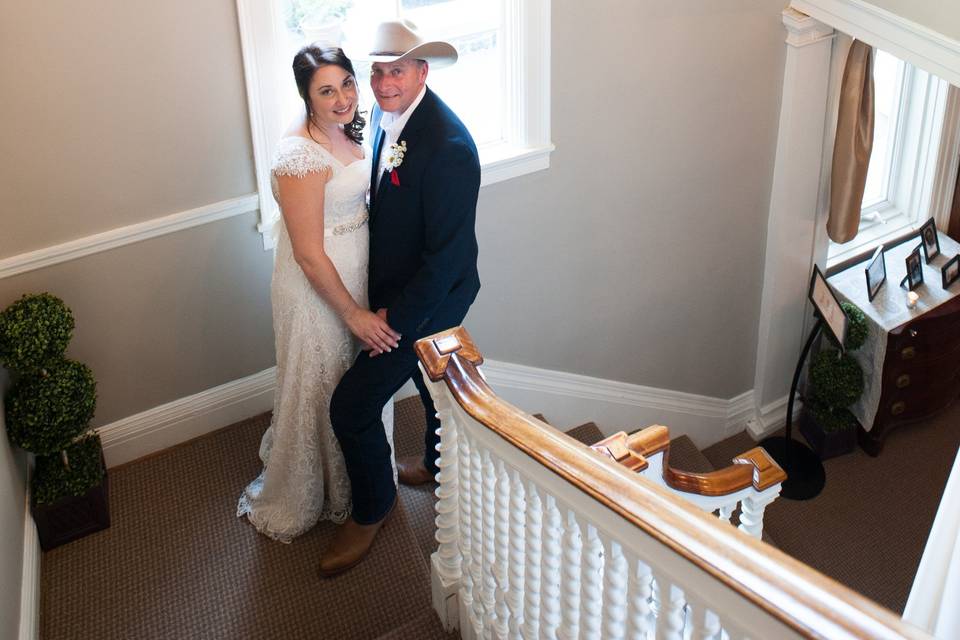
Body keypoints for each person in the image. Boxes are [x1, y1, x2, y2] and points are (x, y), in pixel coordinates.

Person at [318, 20, 481, 575]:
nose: (385, 82)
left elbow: (448, 261)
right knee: (429, 382)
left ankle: (372, 509)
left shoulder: (449, 146)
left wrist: (392, 319)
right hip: (399, 289)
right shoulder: (392, 119)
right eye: (379, 71)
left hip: (431, 298)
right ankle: (438, 464)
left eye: (398, 71)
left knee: (352, 406)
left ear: (422, 72)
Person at [237, 46, 401, 542]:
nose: (343, 98)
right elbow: (309, 255)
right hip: (317, 289)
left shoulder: (351, 126)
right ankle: (318, 489)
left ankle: (363, 474)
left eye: (347, 83)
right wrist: (353, 314)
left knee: (351, 381)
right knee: (321, 381)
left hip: (355, 271)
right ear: (306, 96)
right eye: (326, 91)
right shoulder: (300, 157)